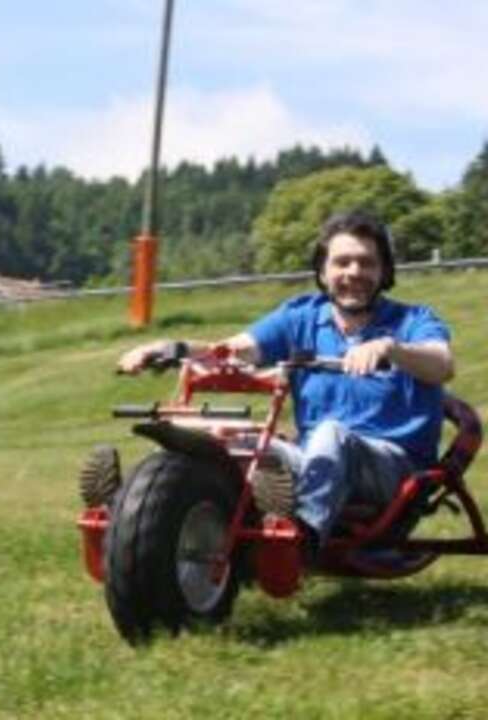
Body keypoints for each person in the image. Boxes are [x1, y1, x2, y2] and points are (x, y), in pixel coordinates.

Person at [117, 209, 456, 562]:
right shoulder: (301, 317)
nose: (354, 272)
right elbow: (234, 351)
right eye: (342, 262)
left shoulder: (413, 321)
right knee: (225, 439)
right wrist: (172, 349)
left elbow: (442, 365)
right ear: (323, 272)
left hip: (394, 471)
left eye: (366, 263)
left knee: (332, 434)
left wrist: (391, 348)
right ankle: (149, 520)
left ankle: (297, 544)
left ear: (384, 271)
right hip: (313, 459)